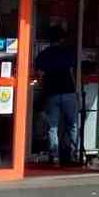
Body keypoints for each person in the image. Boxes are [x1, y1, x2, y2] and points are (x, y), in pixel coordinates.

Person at [34, 26, 79, 166]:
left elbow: (39, 74)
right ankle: (72, 154)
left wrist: (43, 88)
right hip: (68, 92)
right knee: (72, 124)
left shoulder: (43, 54)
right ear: (62, 39)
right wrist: (75, 91)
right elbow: (71, 72)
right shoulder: (67, 53)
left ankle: (54, 156)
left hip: (51, 93)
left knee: (52, 126)